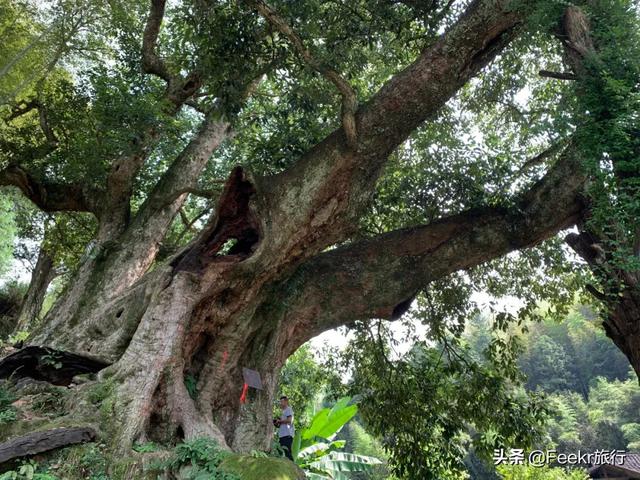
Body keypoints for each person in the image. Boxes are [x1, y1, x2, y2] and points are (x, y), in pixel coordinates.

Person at [275, 395, 294, 460]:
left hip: (287, 434)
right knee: (281, 450)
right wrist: (277, 422)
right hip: (282, 435)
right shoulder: (283, 411)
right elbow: (282, 423)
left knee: (287, 452)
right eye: (280, 402)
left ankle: (293, 467)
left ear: (286, 402)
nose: (281, 403)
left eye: (282, 401)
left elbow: (289, 420)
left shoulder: (288, 409)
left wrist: (280, 421)